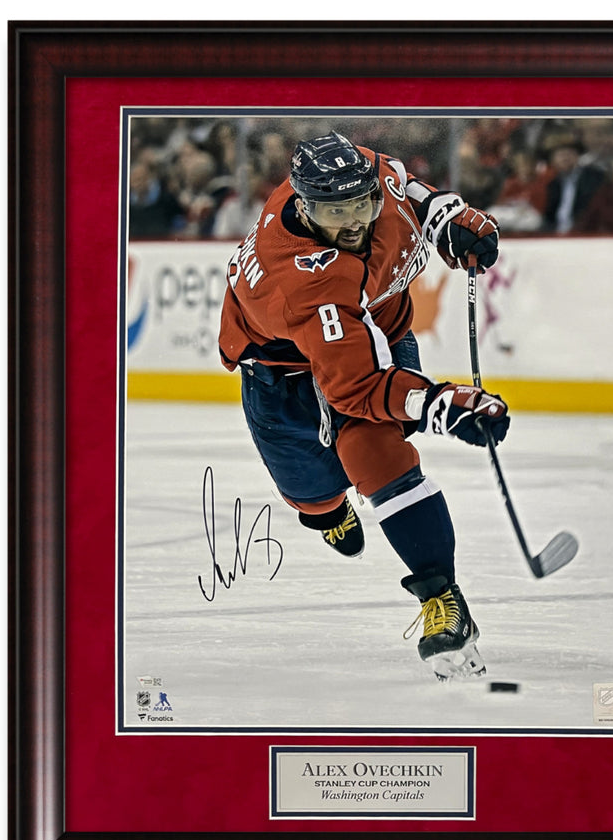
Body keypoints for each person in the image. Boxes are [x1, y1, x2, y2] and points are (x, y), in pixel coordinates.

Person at [218, 131, 508, 680]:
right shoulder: (305, 281)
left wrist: (446, 217)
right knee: (315, 498)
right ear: (305, 207)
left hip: (375, 330)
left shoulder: (367, 176)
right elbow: (358, 387)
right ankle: (327, 511)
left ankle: (441, 597)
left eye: (362, 204)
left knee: (376, 455)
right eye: (336, 212)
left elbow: (405, 184)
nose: (354, 221)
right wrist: (442, 405)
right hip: (282, 370)